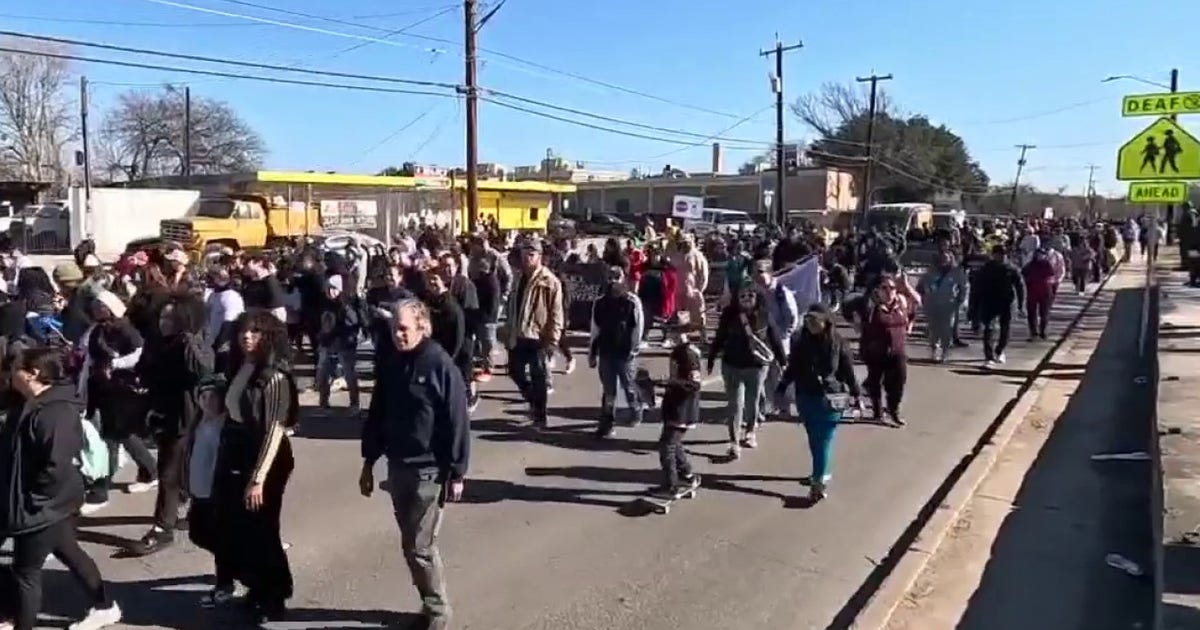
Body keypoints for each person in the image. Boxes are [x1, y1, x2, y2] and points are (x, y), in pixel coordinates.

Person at [360, 298, 470, 630]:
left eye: (404, 328)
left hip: (429, 471)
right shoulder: (391, 361)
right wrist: (368, 461)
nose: (397, 334)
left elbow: (457, 420)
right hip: (398, 466)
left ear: (422, 326)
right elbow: (378, 413)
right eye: (394, 328)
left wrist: (457, 472)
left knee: (420, 547)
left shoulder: (439, 365)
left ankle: (438, 614)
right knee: (410, 545)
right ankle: (428, 603)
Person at [0, 347, 122, 630]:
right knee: (70, 552)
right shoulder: (31, 401)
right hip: (45, 504)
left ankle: (20, 622)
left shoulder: (55, 412)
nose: (9, 376)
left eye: (15, 371)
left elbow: (56, 466)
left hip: (42, 506)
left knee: (25, 573)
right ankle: (104, 606)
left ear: (33, 374)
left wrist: (33, 498)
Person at [219, 311, 299, 622]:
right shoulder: (243, 366)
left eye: (255, 332)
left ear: (269, 336)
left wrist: (258, 478)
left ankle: (275, 594)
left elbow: (274, 430)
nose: (247, 337)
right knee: (239, 527)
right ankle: (257, 586)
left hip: (267, 458)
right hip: (239, 450)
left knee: (264, 529)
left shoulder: (275, 376)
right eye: (243, 331)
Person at [132, 292, 214, 556]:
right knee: (180, 469)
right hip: (161, 411)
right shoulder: (155, 342)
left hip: (188, 414)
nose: (163, 322)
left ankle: (162, 528)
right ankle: (189, 508)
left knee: (168, 473)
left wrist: (189, 338)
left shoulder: (192, 342)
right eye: (162, 316)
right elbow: (143, 371)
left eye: (170, 318)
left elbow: (203, 370)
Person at [79, 290, 156, 514]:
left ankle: (101, 488)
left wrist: (115, 364)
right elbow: (89, 354)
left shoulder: (125, 329)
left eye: (100, 305)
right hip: (101, 388)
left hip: (121, 389)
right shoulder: (96, 329)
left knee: (111, 437)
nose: (95, 309)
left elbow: (139, 353)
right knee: (121, 434)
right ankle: (150, 470)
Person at [780, 304, 862, 502]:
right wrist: (781, 388)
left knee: (823, 440)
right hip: (806, 396)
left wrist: (856, 395)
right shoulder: (800, 341)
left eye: (815, 320)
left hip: (830, 399)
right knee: (814, 439)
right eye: (808, 319)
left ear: (826, 321)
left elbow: (848, 371)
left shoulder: (838, 343)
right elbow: (792, 368)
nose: (810, 323)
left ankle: (818, 483)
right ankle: (821, 471)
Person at [707, 282, 786, 459]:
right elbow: (719, 337)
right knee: (734, 405)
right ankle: (734, 442)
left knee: (753, 401)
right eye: (742, 295)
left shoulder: (765, 315)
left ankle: (750, 431)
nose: (746, 299)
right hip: (731, 365)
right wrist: (711, 358)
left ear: (757, 297)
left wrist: (783, 362)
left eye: (750, 295)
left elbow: (775, 338)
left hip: (756, 367)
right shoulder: (729, 315)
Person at [185, 377, 235, 608]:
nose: (207, 402)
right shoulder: (200, 422)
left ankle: (225, 582)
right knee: (197, 533)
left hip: (217, 491)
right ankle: (238, 558)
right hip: (198, 489)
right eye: (203, 397)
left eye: (212, 397)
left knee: (221, 538)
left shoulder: (227, 425)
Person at [504, 241, 564, 429]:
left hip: (538, 336)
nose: (527, 258)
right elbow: (512, 306)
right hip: (518, 333)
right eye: (524, 254)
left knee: (539, 377)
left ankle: (540, 417)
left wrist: (553, 340)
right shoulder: (519, 278)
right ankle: (532, 401)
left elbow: (556, 312)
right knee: (514, 371)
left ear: (539, 256)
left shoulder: (549, 281)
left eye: (531, 254)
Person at [588, 265, 644, 438]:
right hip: (606, 351)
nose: (613, 281)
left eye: (616, 277)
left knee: (629, 387)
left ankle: (636, 409)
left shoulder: (631, 301)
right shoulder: (600, 302)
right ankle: (607, 422)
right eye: (610, 277)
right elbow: (595, 328)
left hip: (625, 354)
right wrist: (592, 353)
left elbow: (638, 327)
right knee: (609, 390)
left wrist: (634, 349)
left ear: (623, 278)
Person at [654, 328, 702, 496]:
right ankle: (687, 475)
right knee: (674, 443)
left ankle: (671, 485)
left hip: (683, 408)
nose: (672, 335)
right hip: (674, 406)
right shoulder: (677, 352)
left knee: (666, 446)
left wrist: (671, 383)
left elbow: (694, 384)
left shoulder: (689, 354)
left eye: (676, 332)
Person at [315, 275, 363, 410]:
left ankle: (354, 403)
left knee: (349, 374)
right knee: (324, 373)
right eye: (328, 289)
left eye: (334, 289)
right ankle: (323, 403)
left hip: (344, 344)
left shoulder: (346, 304)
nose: (331, 292)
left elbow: (353, 322)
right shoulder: (323, 303)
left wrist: (345, 309)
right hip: (327, 343)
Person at [973, 245, 1025, 367]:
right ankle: (989, 356)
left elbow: (1020, 286)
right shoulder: (986, 268)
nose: (1000, 257)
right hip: (989, 302)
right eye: (997, 254)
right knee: (989, 328)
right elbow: (977, 286)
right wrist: (975, 303)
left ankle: (1000, 350)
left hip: (1006, 303)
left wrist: (1021, 304)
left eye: (1002, 254)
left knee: (1005, 329)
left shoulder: (1011, 269)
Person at [917, 250, 968, 363]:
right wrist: (923, 296)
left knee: (946, 329)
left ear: (951, 259)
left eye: (947, 258)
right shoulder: (931, 271)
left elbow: (963, 288)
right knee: (934, 329)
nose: (944, 260)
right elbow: (920, 286)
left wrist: (960, 301)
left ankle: (945, 351)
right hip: (932, 304)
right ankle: (934, 349)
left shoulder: (957, 272)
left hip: (949, 305)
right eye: (943, 258)